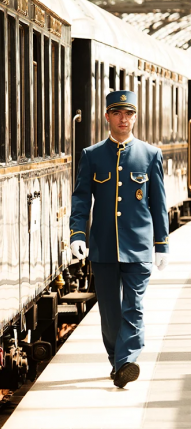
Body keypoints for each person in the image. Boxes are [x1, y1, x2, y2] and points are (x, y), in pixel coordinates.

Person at [70, 90, 169, 389]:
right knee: (110, 312)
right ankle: (118, 360)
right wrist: (77, 233)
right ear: (107, 117)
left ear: (135, 117)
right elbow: (81, 199)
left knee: (133, 307)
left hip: (138, 248)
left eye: (129, 114)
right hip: (103, 247)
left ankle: (126, 361)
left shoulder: (151, 155)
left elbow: (158, 203)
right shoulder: (92, 155)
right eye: (117, 113)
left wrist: (161, 244)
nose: (123, 119)